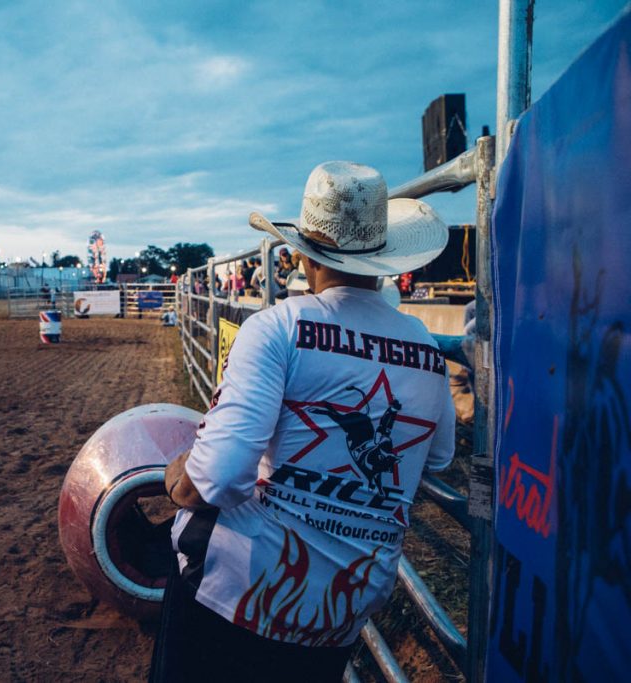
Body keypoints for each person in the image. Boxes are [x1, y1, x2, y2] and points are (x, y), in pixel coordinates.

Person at [151, 161, 454, 682]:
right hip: (341, 607)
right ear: (382, 258)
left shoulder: (278, 329)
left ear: (302, 254)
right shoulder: (427, 350)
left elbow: (219, 477)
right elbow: (440, 454)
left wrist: (178, 479)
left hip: (241, 595)